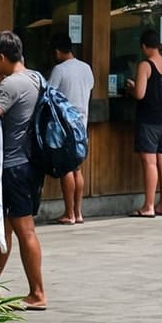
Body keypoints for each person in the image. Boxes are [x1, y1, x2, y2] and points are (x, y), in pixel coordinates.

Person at [0, 32, 47, 310]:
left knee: (24, 229)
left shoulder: (10, 84)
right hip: (30, 164)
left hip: (13, 167)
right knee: (2, 229)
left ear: (1, 57)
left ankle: (38, 294)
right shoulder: (35, 78)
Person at [47, 35, 96, 224]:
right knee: (77, 168)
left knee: (66, 168)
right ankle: (78, 211)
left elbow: (49, 95)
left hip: (64, 125)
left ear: (57, 51)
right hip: (82, 124)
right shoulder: (86, 68)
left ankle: (69, 213)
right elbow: (90, 88)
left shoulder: (59, 70)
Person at [132, 29, 162, 218]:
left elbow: (140, 94)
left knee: (150, 163)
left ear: (144, 46)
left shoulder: (145, 65)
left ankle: (149, 206)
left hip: (149, 119)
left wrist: (132, 87)